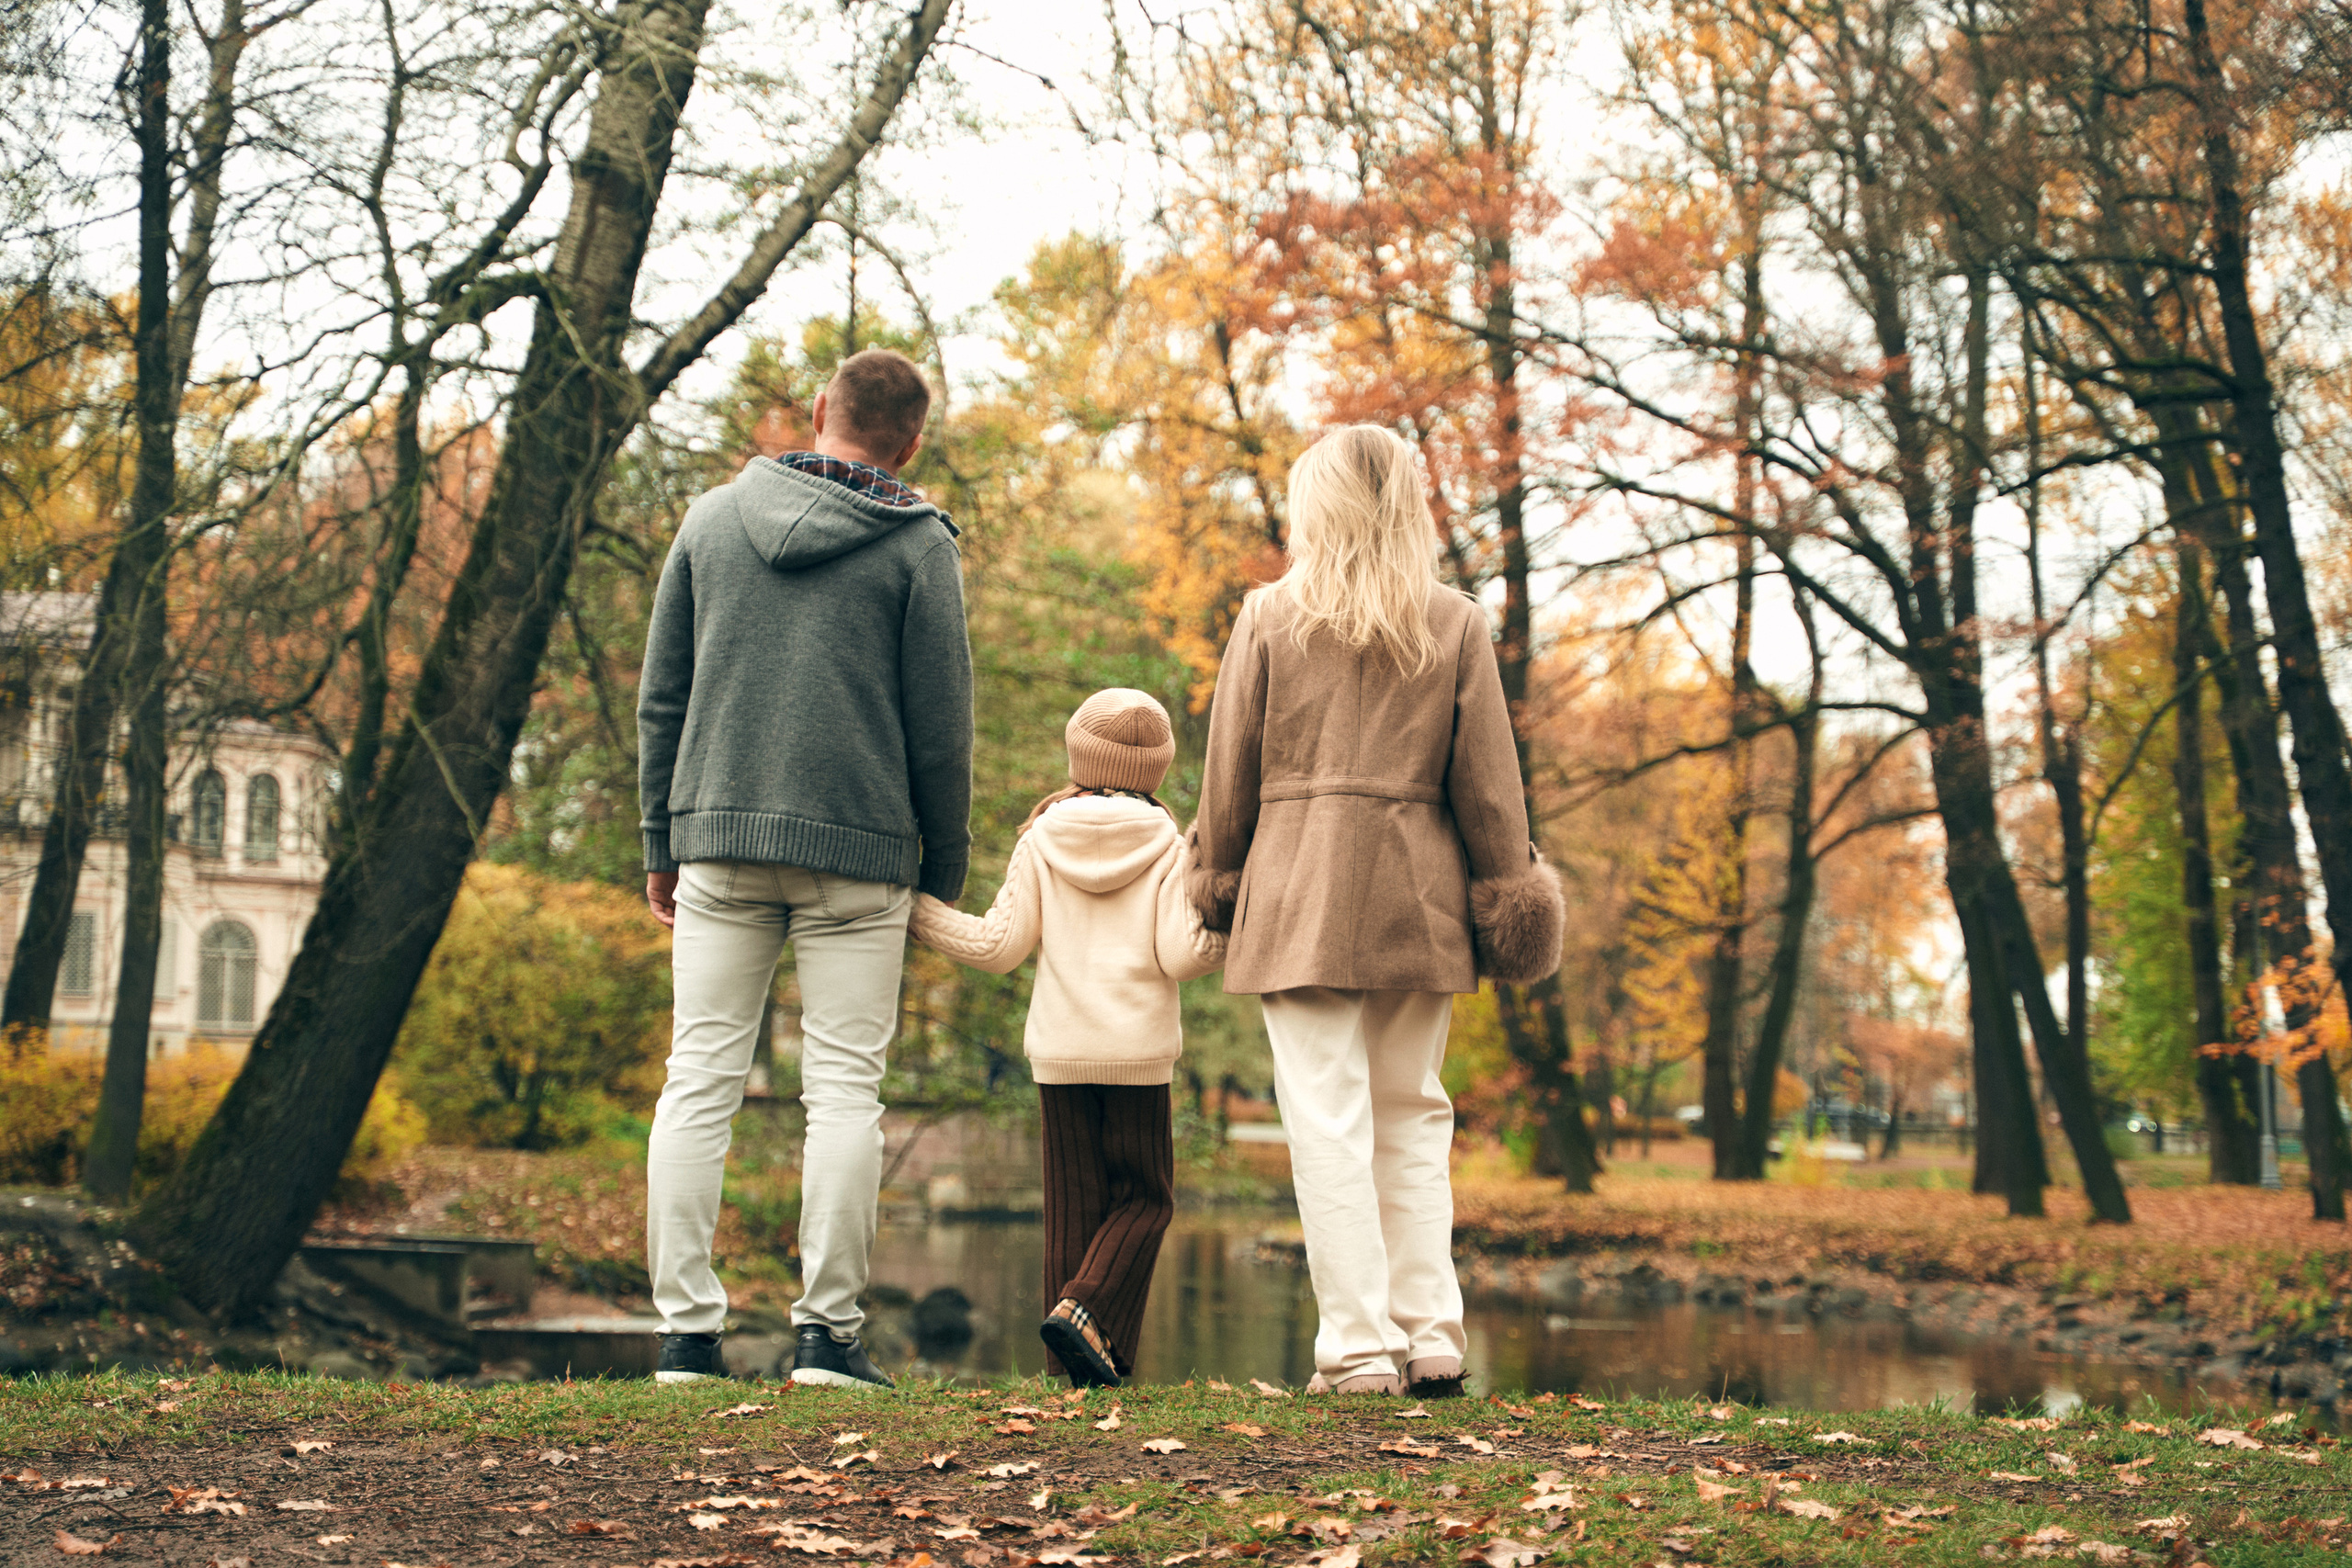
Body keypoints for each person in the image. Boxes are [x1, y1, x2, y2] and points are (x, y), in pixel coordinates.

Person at [1189, 425, 1563, 1398]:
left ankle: (1357, 1349)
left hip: (1298, 893)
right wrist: (1509, 893)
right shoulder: (1454, 622)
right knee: (1412, 1119)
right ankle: (1432, 1334)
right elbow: (1491, 791)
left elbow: (1227, 775)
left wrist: (1216, 877)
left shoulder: (1268, 616)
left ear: (1316, 506)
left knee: (1327, 1123)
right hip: (1419, 896)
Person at [637, 347, 973, 1388]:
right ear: (910, 441)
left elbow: (663, 697)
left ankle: (686, 1340)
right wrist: (943, 868)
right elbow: (940, 732)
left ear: (820, 409)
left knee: (697, 1082)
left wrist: (660, 842)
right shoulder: (918, 546)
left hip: (717, 841)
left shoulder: (709, 519)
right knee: (843, 1096)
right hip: (859, 855)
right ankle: (827, 1338)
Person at [908, 689, 1225, 1387]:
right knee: (1146, 1199)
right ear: (1159, 767)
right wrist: (1229, 923)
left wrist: (914, 909)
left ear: (1079, 752)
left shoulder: (1042, 838)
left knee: (1073, 1208)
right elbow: (1183, 955)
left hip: (1061, 1050)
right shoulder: (1171, 848)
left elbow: (997, 944)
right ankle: (1084, 1309)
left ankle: (1067, 1373)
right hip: (1138, 1052)